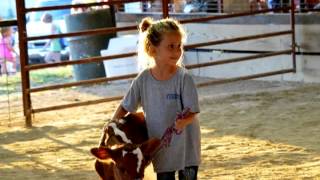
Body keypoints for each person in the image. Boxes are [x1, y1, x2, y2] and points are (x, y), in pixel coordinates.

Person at [107, 17, 201, 180]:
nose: (176, 51)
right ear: (152, 49)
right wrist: (111, 126)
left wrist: (184, 122)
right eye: (170, 46)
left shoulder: (184, 78)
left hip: (187, 146)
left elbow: (192, 111)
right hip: (161, 147)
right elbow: (125, 106)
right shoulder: (142, 79)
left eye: (179, 46)